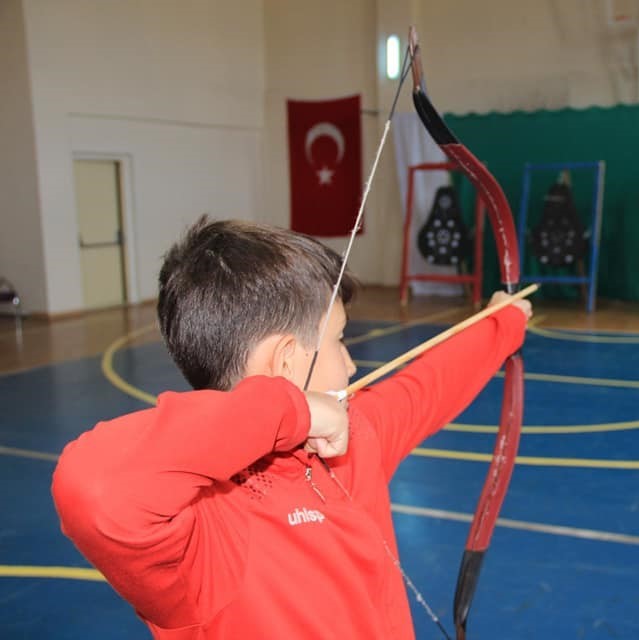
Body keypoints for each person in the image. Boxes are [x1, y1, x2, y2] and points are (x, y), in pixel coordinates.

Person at [51, 217, 531, 639]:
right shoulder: (204, 524)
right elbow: (92, 486)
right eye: (340, 340)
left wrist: (500, 323)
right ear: (284, 360)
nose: (349, 364)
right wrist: (289, 412)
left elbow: (426, 385)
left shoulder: (354, 436)